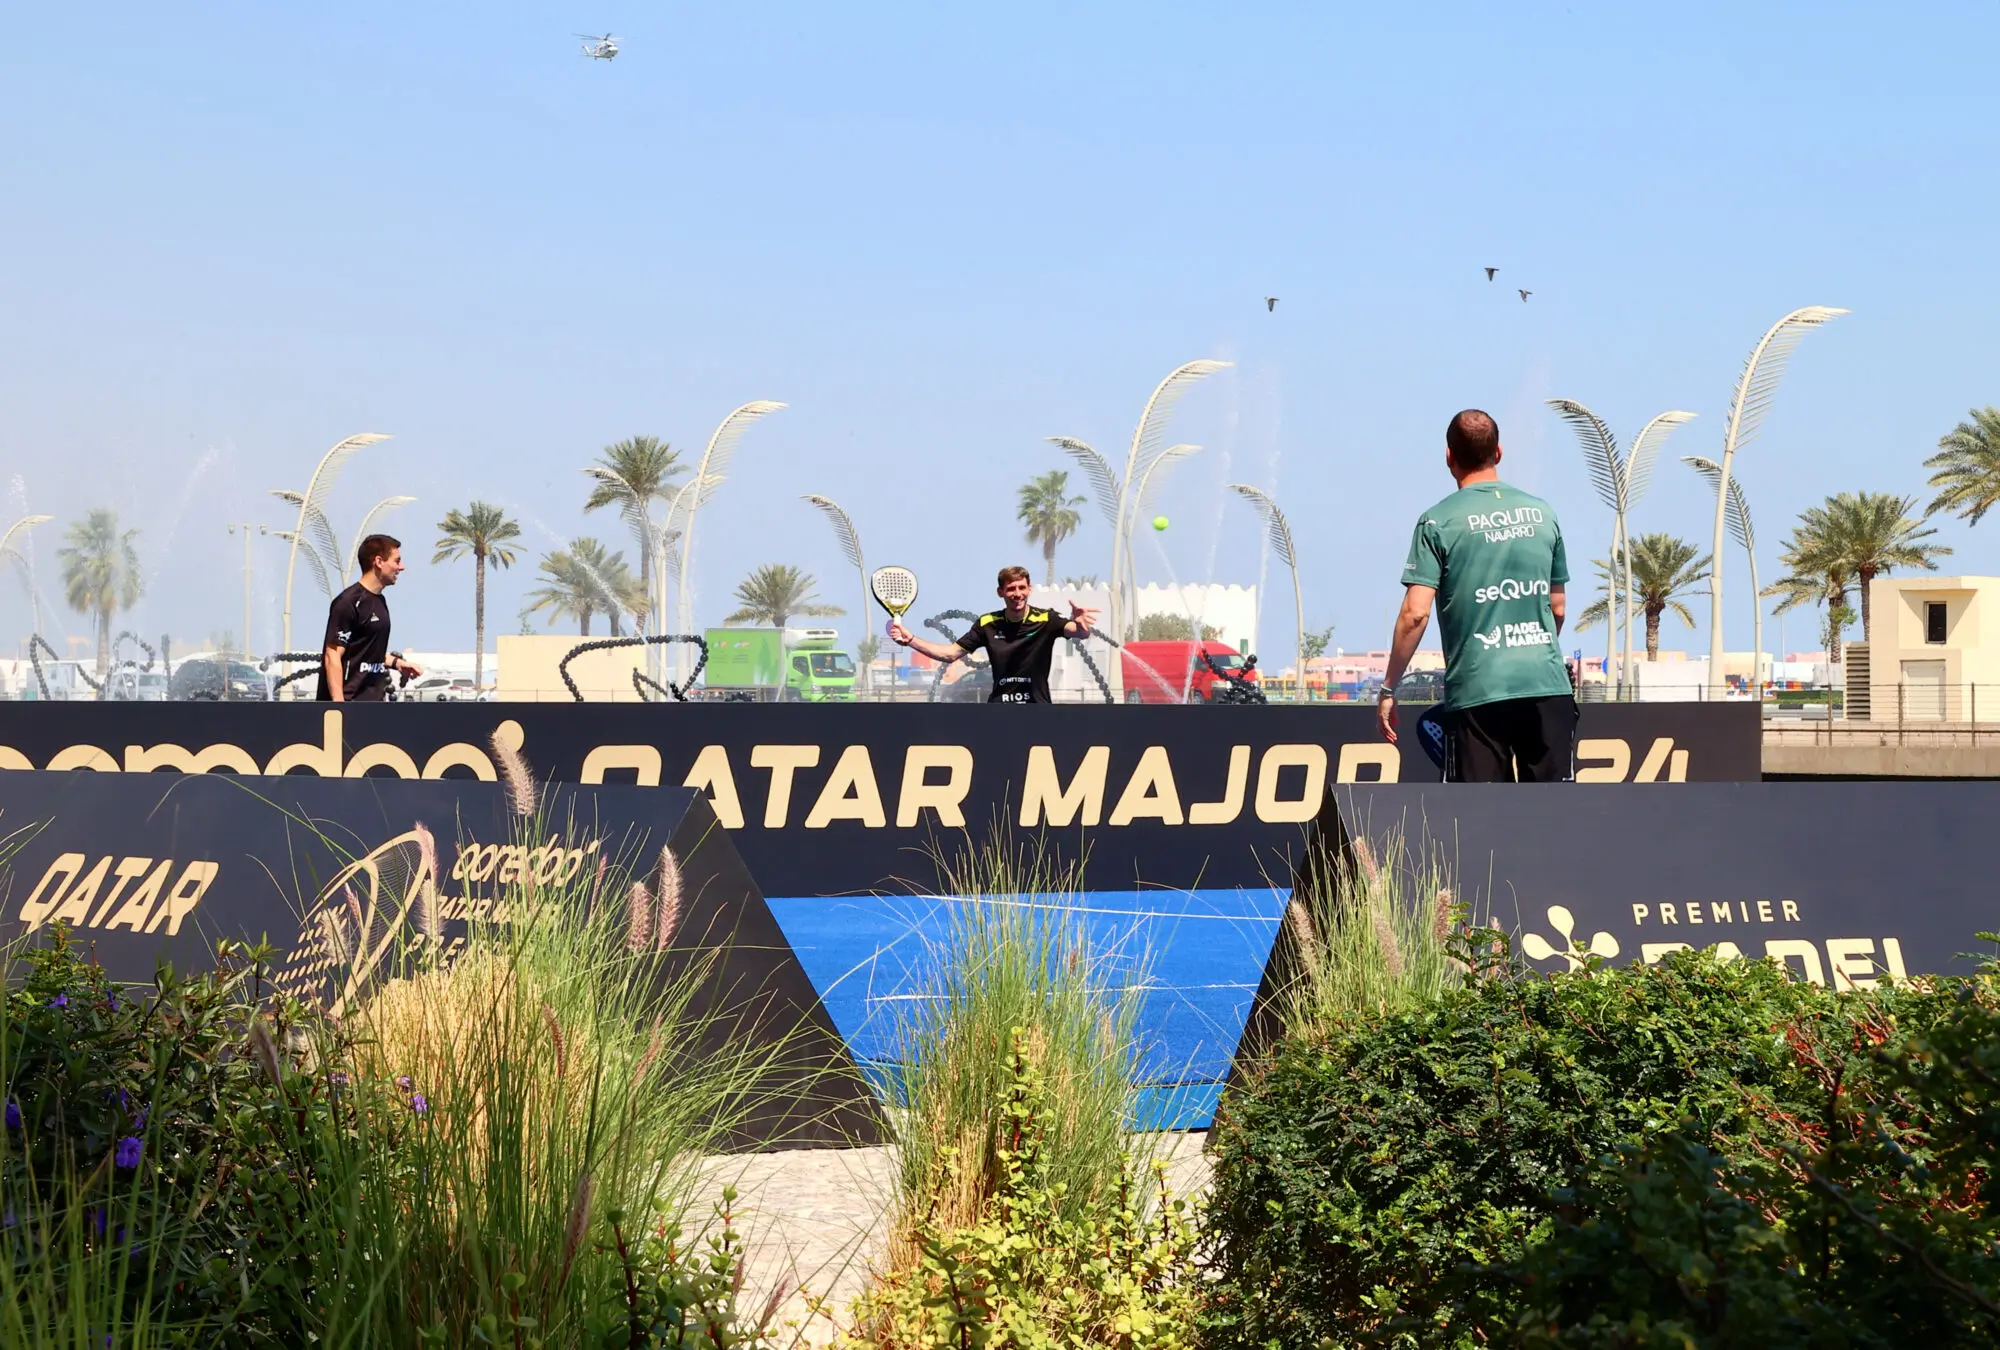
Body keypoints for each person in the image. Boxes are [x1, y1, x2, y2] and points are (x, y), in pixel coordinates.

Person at [1378, 410, 1577, 781]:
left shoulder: (1438, 521)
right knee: (1555, 819)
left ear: (1449, 457)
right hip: (1547, 686)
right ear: (1498, 452)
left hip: (1479, 692)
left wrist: (1389, 687)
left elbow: (1415, 615)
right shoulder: (1542, 513)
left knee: (1482, 823)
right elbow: (1558, 606)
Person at [888, 565, 1097, 704]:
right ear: (1001, 592)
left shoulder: (1046, 619)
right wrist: (911, 640)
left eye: (1022, 588)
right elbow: (950, 654)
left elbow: (1079, 633)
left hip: (1038, 709)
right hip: (999, 711)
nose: (1017, 594)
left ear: (1029, 589)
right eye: (1011, 589)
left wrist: (1081, 624)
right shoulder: (987, 624)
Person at [317, 534, 423, 702]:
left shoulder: (379, 601)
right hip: (350, 704)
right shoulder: (348, 602)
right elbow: (332, 656)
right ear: (379, 562)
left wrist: (398, 663)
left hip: (373, 706)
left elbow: (367, 654)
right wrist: (340, 708)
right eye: (397, 561)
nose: (401, 567)